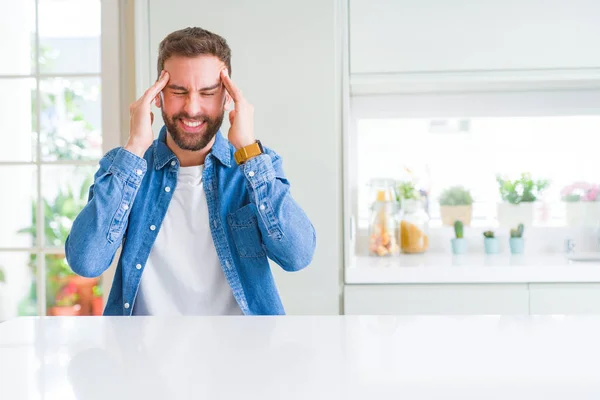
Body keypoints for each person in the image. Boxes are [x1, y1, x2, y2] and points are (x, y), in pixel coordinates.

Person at [65, 27, 316, 316]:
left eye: (208, 93)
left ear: (227, 98)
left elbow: (297, 256)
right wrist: (135, 146)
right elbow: (86, 261)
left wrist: (248, 149)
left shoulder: (255, 166)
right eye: (178, 91)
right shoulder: (126, 168)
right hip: (142, 357)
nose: (192, 108)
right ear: (157, 96)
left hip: (243, 356)